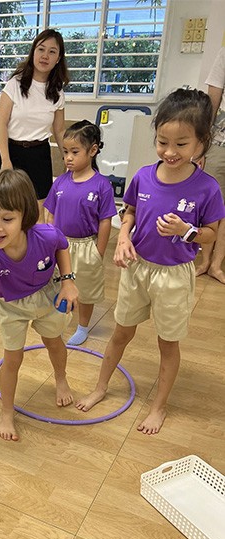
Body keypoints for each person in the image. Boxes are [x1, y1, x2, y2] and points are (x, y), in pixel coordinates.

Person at [77, 89, 225, 434]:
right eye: (162, 142)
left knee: (167, 343)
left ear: (202, 142)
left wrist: (187, 230)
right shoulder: (143, 175)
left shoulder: (207, 188)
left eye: (182, 144)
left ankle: (159, 407)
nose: (170, 152)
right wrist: (124, 238)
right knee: (120, 333)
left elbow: (212, 235)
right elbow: (128, 213)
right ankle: (100, 387)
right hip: (137, 269)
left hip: (174, 275)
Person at [0, 169, 78, 442]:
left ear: (25, 217)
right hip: (10, 306)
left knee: (54, 342)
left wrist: (68, 280)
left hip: (47, 296)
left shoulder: (44, 235)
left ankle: (61, 378)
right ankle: (7, 412)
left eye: (7, 219)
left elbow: (62, 244)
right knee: (12, 359)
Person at [43, 121, 116, 346]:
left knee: (85, 288)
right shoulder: (61, 182)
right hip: (61, 245)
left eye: (75, 152)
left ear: (92, 150)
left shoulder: (102, 185)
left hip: (86, 246)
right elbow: (50, 213)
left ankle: (83, 326)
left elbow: (105, 221)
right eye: (65, 152)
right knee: (59, 284)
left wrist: (99, 252)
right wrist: (50, 240)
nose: (68, 158)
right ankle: (60, 319)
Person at [0, 28, 68, 208]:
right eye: (41, 49)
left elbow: (59, 130)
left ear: (58, 58)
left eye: (52, 52)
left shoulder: (57, 92)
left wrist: (67, 157)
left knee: (38, 212)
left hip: (40, 155)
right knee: (7, 209)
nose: (45, 56)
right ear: (33, 51)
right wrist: (6, 160)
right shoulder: (15, 84)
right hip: (12, 153)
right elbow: (1, 124)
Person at [198, 46, 225, 283]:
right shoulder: (224, 52)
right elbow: (212, 103)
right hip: (220, 142)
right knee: (212, 204)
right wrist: (202, 145)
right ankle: (205, 260)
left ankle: (217, 264)